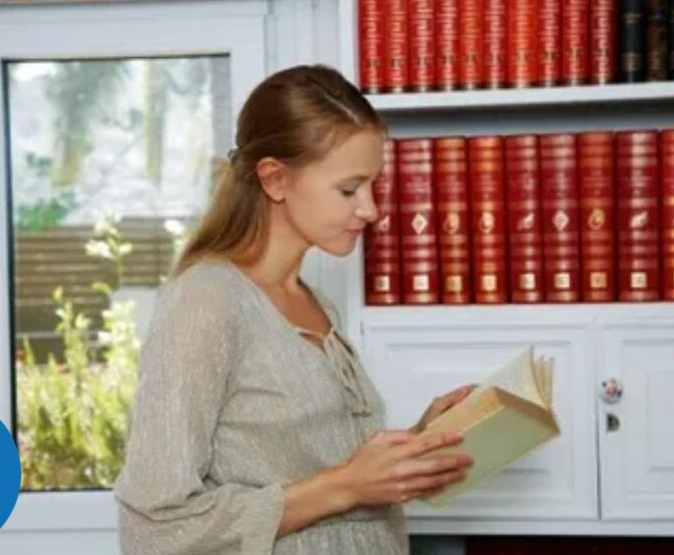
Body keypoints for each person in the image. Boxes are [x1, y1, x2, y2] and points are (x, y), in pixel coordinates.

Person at [114, 64, 475, 555]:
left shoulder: (314, 302)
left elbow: (315, 472)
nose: (370, 209)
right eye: (349, 189)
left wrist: (412, 450)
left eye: (373, 187)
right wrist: (347, 485)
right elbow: (155, 529)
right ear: (276, 179)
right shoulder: (206, 302)